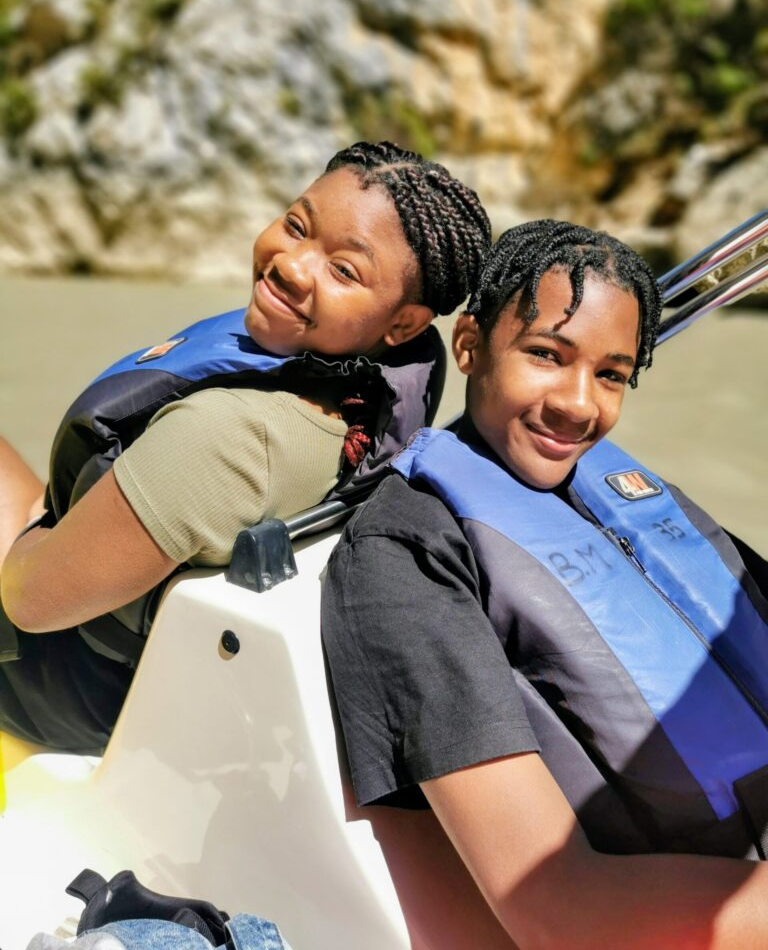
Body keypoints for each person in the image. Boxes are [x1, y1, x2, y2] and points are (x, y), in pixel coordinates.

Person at [322, 219, 768, 948]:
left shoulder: (626, 492)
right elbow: (561, 908)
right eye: (545, 355)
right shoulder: (406, 553)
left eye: (612, 374)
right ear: (469, 345)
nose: (579, 404)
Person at [0, 140, 492, 755]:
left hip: (54, 680)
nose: (290, 264)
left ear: (405, 324)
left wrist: (29, 536)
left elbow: (31, 602)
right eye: (296, 225)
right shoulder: (359, 397)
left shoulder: (228, 439)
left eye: (344, 270)